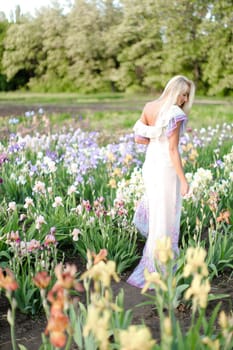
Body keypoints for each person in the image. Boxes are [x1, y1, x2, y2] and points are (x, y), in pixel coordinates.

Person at [127, 75, 195, 288]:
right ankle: (161, 267)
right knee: (166, 216)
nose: (184, 99)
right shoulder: (175, 113)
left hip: (150, 165)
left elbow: (140, 138)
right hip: (165, 168)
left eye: (186, 95)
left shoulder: (149, 107)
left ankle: (154, 262)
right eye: (183, 94)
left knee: (158, 215)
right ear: (174, 91)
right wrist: (184, 180)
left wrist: (154, 135)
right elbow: (172, 150)